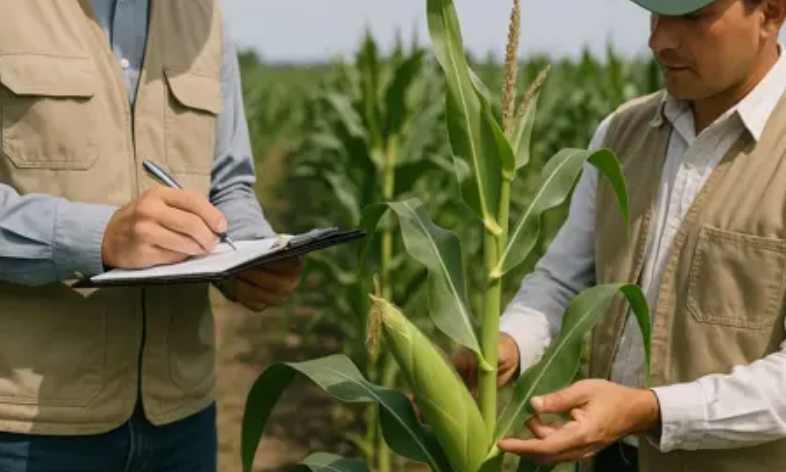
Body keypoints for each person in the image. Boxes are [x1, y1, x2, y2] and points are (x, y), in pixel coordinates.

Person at [456, 0, 786, 471]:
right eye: (655, 13)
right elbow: (564, 280)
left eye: (692, 18)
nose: (659, 40)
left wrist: (650, 410)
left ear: (770, 13)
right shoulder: (620, 133)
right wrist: (509, 343)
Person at [0, 0, 302, 470]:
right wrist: (99, 237)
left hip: (181, 420)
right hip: (27, 427)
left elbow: (228, 183)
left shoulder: (203, 16)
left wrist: (249, 251)